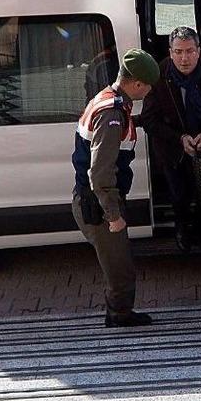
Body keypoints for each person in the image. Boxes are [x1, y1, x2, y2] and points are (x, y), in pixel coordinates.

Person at [71, 48, 160, 328]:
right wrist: (113, 215)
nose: (148, 92)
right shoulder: (113, 113)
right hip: (99, 204)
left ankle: (118, 313)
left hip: (96, 199)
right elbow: (100, 172)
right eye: (147, 87)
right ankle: (119, 317)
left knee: (118, 263)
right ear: (136, 84)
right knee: (119, 268)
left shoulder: (109, 100)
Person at [140, 26, 201, 253]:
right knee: (179, 195)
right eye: (178, 52)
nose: (184, 58)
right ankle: (181, 232)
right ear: (170, 52)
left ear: (199, 51)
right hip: (174, 149)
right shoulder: (157, 77)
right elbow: (149, 120)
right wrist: (179, 139)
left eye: (190, 51)